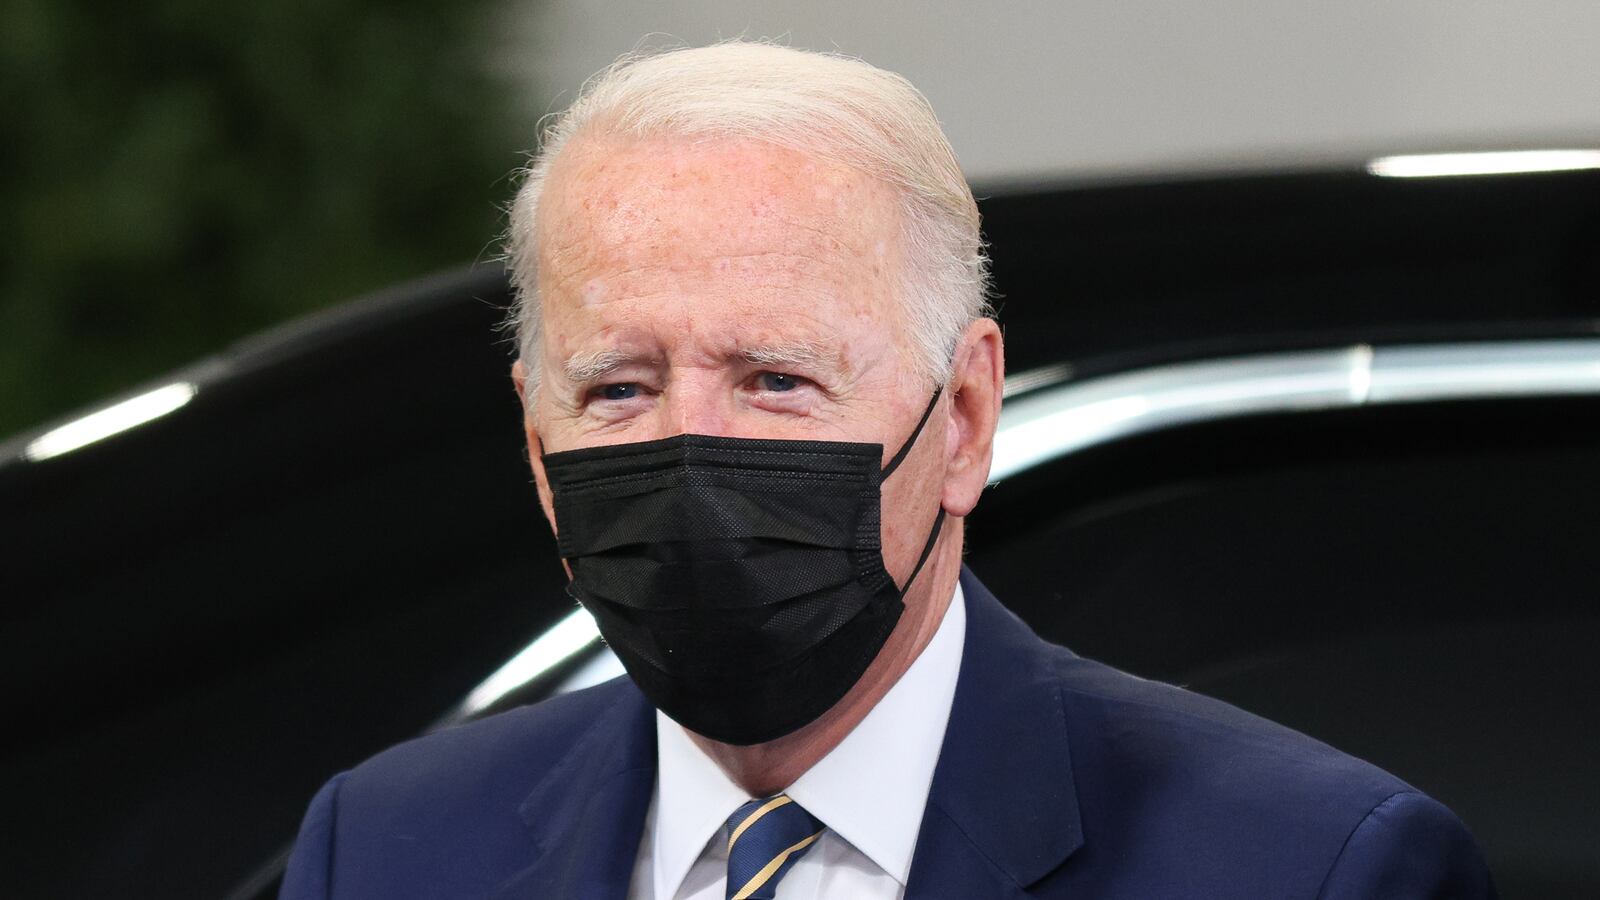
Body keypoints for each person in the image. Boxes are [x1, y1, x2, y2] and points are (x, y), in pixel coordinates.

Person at [281, 41, 1496, 899]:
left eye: (776, 379)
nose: (688, 457)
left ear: (963, 416)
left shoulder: (1308, 868)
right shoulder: (386, 850)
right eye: (618, 389)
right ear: (538, 445)